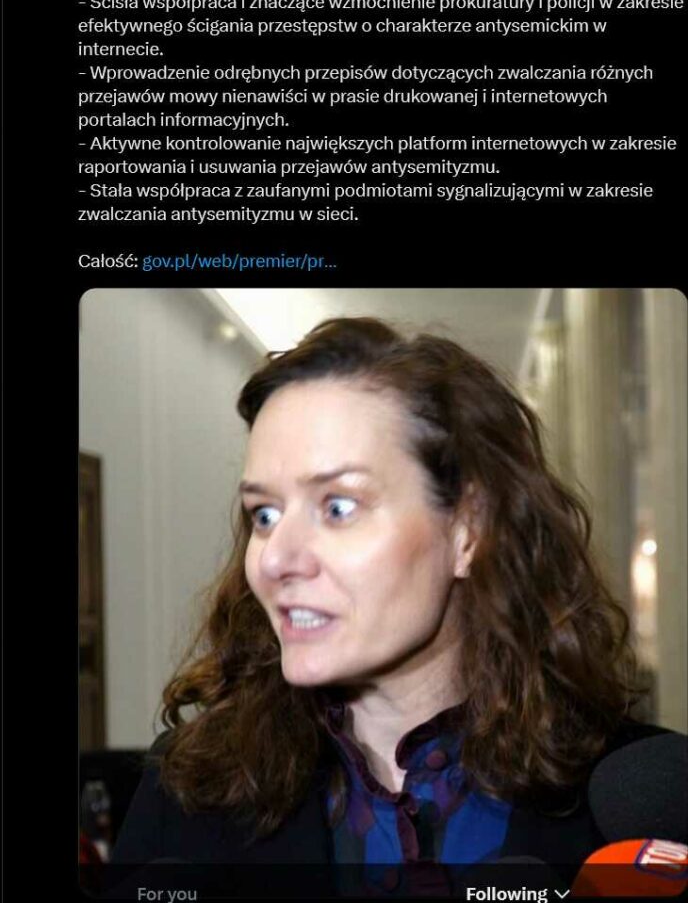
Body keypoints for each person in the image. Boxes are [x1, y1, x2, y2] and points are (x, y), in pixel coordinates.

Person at [108, 316, 669, 898]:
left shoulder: (640, 809)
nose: (275, 559)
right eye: (264, 515)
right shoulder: (185, 793)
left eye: (338, 508)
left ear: (468, 530)